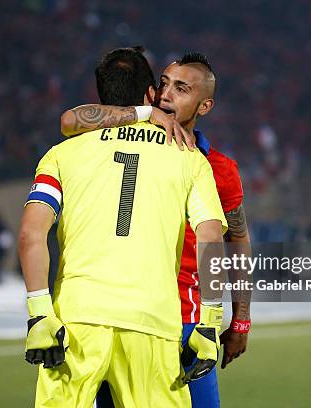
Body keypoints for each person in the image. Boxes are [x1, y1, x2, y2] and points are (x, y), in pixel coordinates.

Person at [18, 46, 227, 408]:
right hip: (153, 322)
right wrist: (211, 321)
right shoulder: (189, 157)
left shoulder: (62, 153)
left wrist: (39, 312)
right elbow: (210, 237)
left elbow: (30, 234)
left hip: (77, 321)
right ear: (150, 94)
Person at [61, 52, 252, 408]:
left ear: (204, 105)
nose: (166, 95)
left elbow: (238, 241)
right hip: (121, 316)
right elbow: (72, 121)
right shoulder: (121, 142)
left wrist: (240, 318)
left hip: (185, 323)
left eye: (181, 88)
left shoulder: (218, 169)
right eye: (163, 84)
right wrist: (144, 114)